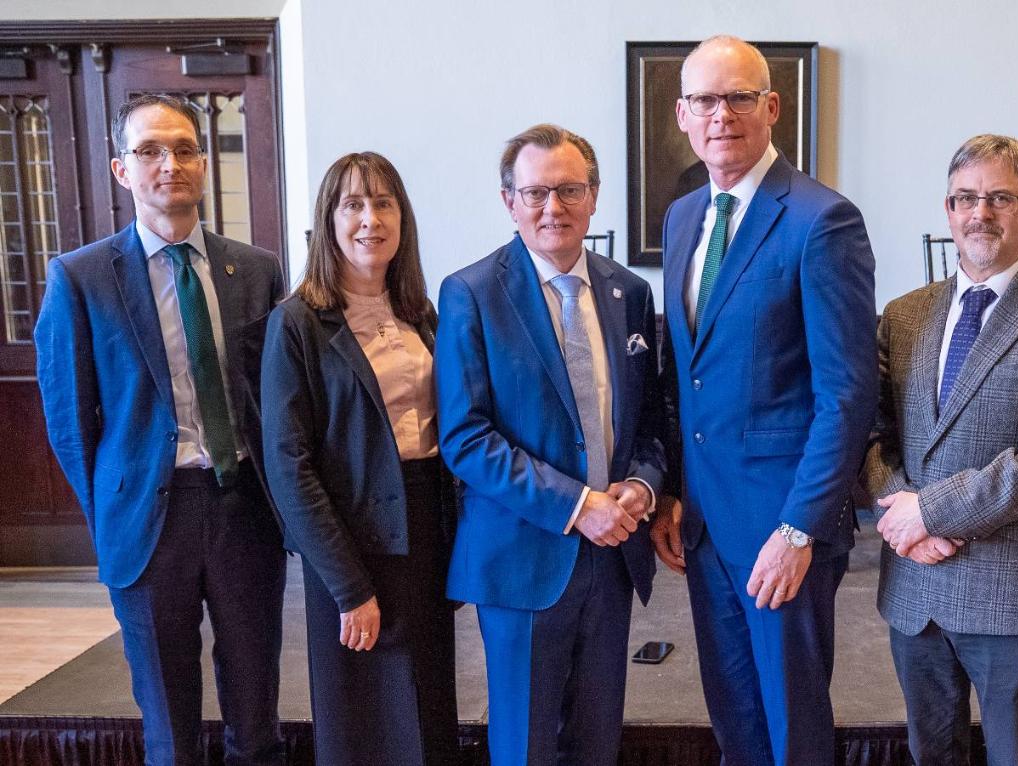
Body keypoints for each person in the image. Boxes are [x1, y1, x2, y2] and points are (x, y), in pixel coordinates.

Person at [34, 94, 285, 765]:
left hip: (244, 514)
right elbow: (68, 421)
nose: (168, 164)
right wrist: (112, 511)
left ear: (202, 163)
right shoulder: (80, 279)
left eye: (183, 149)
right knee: (170, 731)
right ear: (122, 169)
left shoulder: (256, 271)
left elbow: (277, 402)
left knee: (258, 715)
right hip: (147, 521)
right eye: (148, 151)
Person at [648, 34, 877, 766]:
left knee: (792, 726)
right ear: (684, 114)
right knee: (734, 719)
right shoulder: (684, 217)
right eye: (706, 100)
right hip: (707, 524)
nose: (723, 114)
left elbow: (847, 393)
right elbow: (692, 376)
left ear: (771, 107)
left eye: (739, 96)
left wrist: (801, 529)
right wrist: (676, 497)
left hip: (783, 529)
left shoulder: (822, 220)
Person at [864, 134, 1018, 766]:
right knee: (931, 753)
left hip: (1015, 588)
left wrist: (929, 513)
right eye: (966, 198)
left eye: (1001, 197)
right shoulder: (904, 313)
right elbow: (871, 434)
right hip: (915, 585)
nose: (981, 213)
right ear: (948, 210)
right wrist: (905, 521)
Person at [435, 124, 664, 766]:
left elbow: (650, 420)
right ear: (509, 200)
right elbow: (466, 437)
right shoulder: (471, 294)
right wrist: (576, 504)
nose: (551, 208)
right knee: (525, 747)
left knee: (598, 743)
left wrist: (641, 486)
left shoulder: (630, 293)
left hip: (613, 554)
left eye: (568, 190)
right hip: (522, 556)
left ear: (593, 196)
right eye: (535, 192)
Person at [261, 152, 458, 765]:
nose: (370, 219)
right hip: (351, 546)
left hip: (426, 535)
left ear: (403, 218)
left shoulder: (423, 313)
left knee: (429, 712)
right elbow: (289, 464)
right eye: (353, 205)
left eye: (384, 203)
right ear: (329, 221)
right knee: (366, 726)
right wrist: (349, 588)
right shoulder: (297, 323)